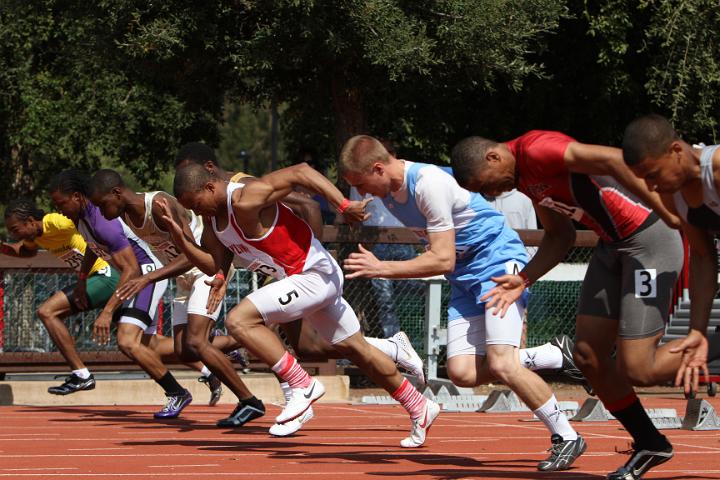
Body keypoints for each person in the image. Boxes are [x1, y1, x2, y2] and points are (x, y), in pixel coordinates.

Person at [340, 135, 586, 471]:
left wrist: (383, 268)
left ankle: (567, 436)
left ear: (379, 168)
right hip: (466, 279)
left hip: (498, 265)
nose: (364, 193)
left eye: (362, 184)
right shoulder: (390, 195)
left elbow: (442, 260)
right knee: (462, 373)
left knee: (502, 364)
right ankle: (554, 355)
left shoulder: (428, 184)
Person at [451, 130, 685, 479]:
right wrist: (524, 278)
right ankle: (650, 442)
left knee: (639, 367)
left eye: (484, 185)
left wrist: (663, 207)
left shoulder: (538, 149)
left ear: (492, 157)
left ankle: (704, 351)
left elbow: (613, 158)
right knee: (588, 356)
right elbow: (562, 236)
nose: (490, 194)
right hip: (611, 247)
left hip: (648, 241)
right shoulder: (525, 180)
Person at [169, 162, 439, 447]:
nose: (197, 212)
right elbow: (215, 261)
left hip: (315, 274)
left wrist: (344, 204)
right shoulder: (213, 221)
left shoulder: (245, 197)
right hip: (299, 279)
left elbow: (302, 171)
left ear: (210, 187)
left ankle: (302, 384)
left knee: (239, 320)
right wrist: (216, 269)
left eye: (196, 204)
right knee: (357, 350)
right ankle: (419, 405)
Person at [87, 169, 265, 428]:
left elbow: (191, 255)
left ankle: (249, 400)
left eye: (103, 205)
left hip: (206, 271)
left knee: (197, 342)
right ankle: (236, 344)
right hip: (182, 279)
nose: (102, 213)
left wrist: (150, 277)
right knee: (184, 350)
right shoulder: (126, 214)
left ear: (116, 193)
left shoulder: (159, 205)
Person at [47, 170, 193, 419]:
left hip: (146, 274)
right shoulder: (82, 218)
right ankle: (219, 347)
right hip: (137, 276)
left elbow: (131, 268)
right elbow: (94, 248)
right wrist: (82, 280)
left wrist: (107, 311)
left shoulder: (102, 221)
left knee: (127, 341)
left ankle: (177, 393)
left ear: (76, 197)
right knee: (149, 345)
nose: (58, 210)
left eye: (60, 204)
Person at [621, 113, 720, 396]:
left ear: (676, 151)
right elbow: (702, 256)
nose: (651, 188)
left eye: (653, 175)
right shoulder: (673, 195)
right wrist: (698, 331)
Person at [2, 198, 120, 394]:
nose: (14, 235)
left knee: (47, 311)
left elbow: (89, 226)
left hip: (105, 275)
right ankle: (188, 356)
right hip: (95, 281)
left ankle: (81, 375)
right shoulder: (36, 237)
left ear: (31, 221)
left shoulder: (55, 222)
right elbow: (25, 252)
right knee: (136, 343)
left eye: (15, 229)